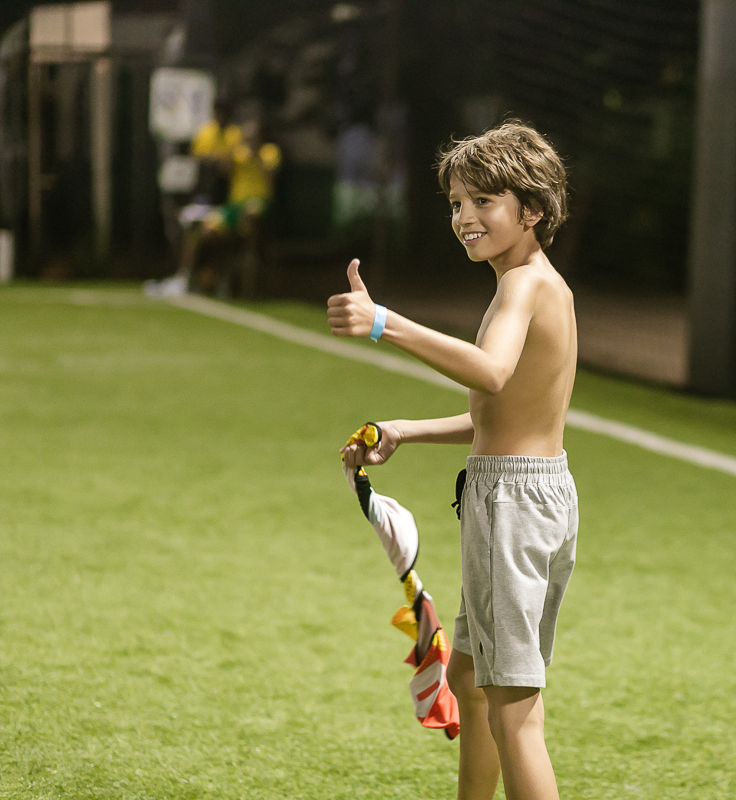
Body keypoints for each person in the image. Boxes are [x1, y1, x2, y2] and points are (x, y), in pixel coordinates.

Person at [330, 121, 576, 800]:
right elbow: (500, 415)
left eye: (483, 203)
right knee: (469, 680)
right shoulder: (534, 283)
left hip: (514, 508)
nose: (464, 218)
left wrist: (385, 322)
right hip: (523, 494)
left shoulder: (524, 286)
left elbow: (492, 373)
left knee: (515, 711)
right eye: (455, 205)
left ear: (531, 210)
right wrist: (405, 430)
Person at [146, 118, 281, 299]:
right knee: (201, 231)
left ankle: (240, 283)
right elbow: (223, 169)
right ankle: (188, 278)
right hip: (234, 206)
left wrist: (254, 155)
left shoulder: (269, 152)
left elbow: (271, 176)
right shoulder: (239, 152)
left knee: (249, 219)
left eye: (252, 135)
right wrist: (233, 150)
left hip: (257, 203)